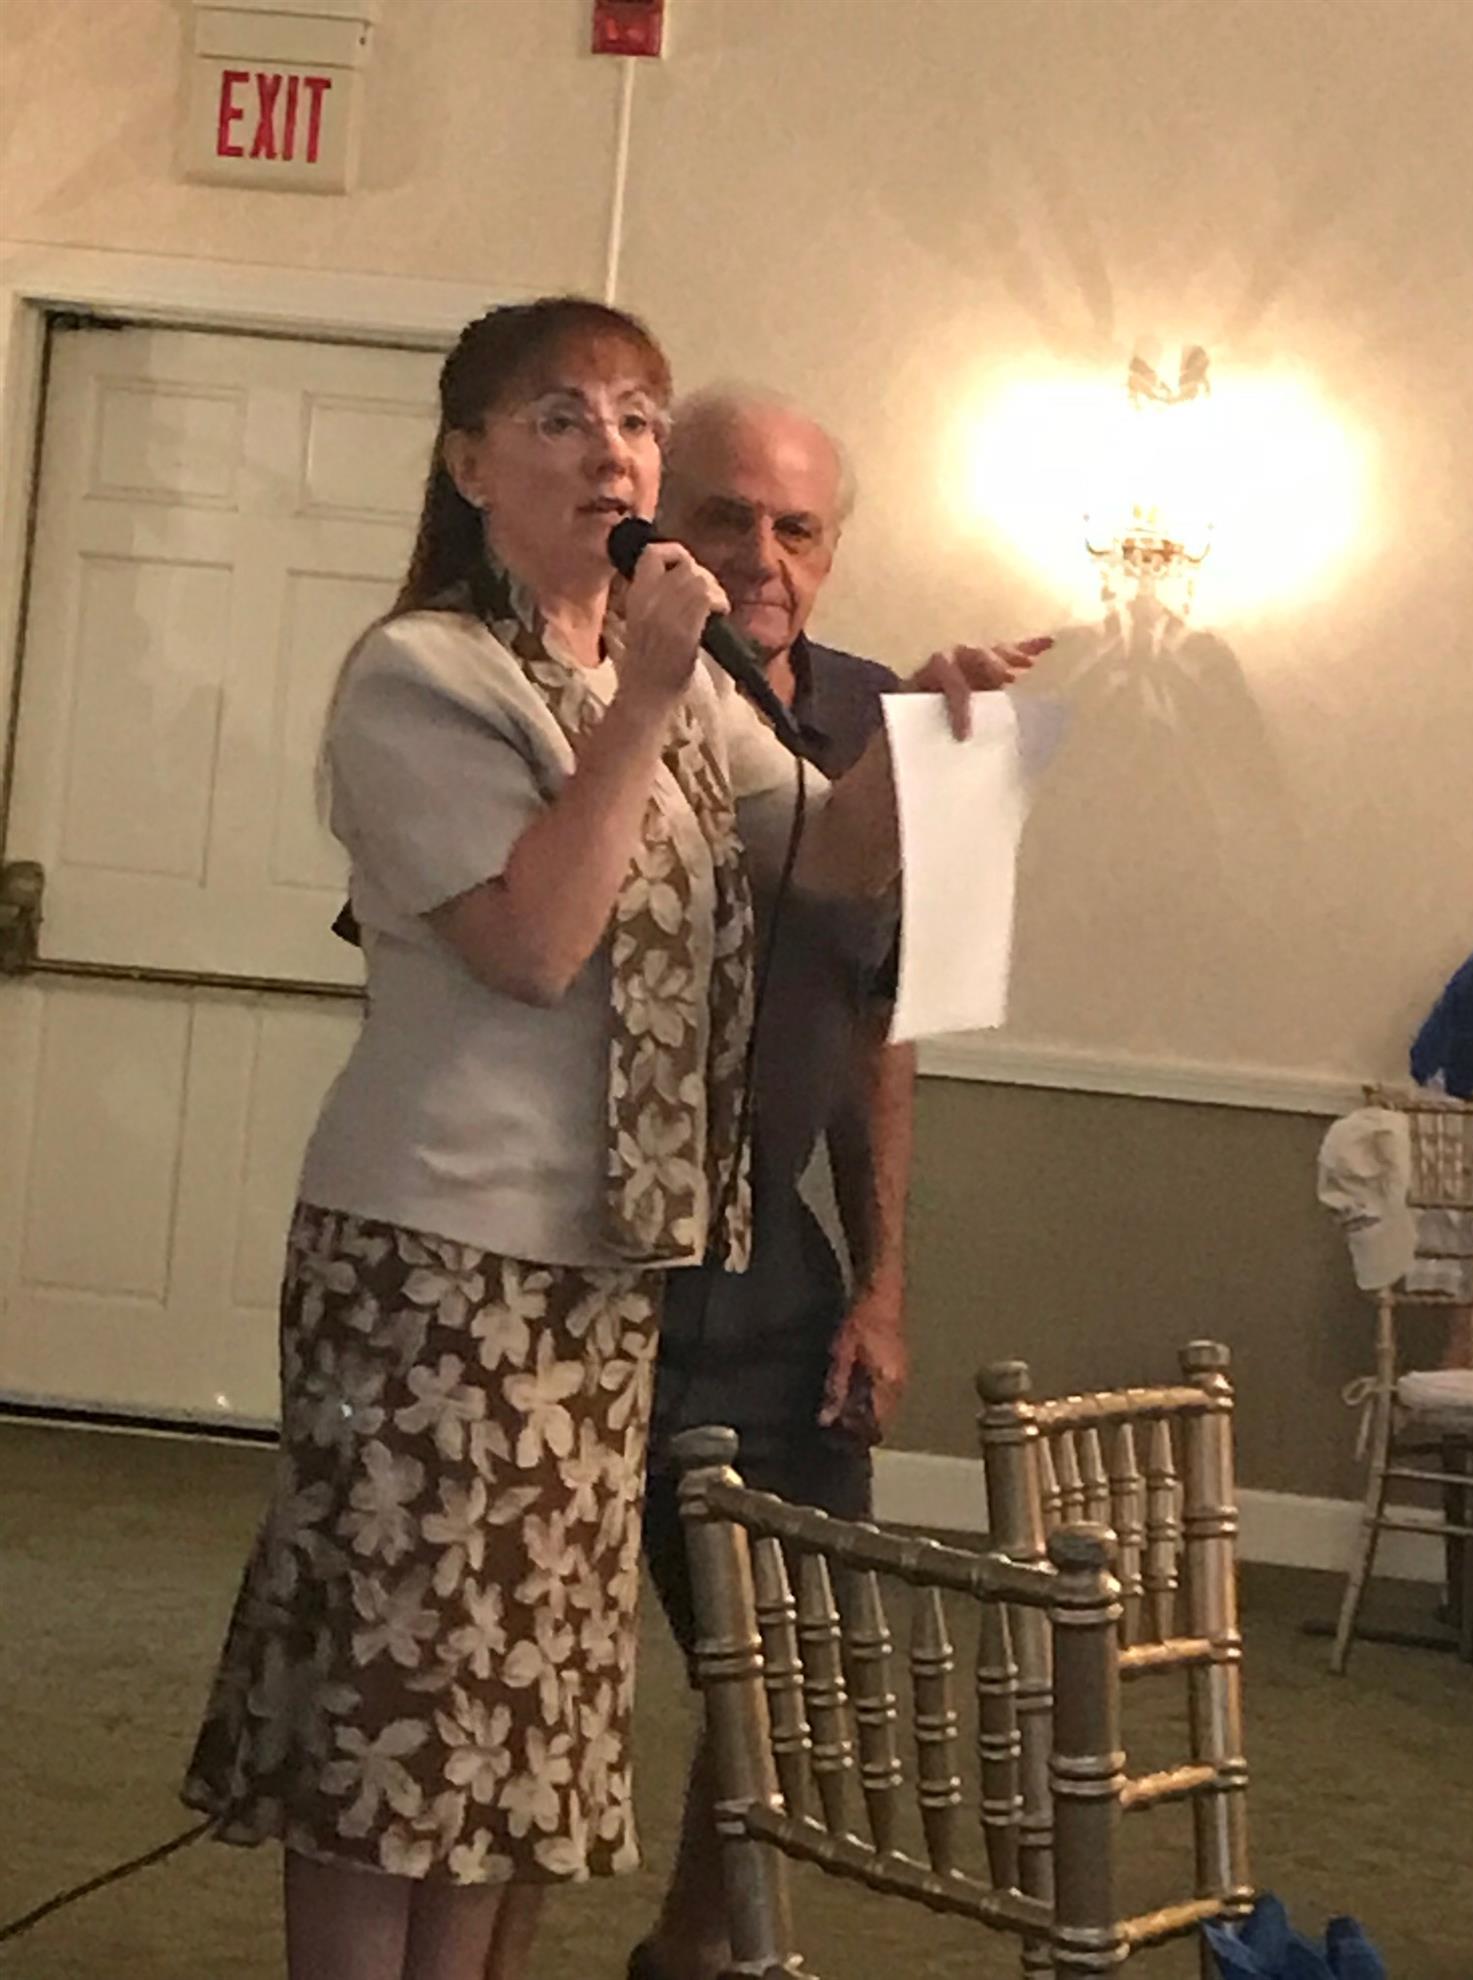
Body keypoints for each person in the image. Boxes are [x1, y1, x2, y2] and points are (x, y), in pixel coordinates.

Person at [180, 298, 1019, 1980]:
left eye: (635, 417)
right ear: (469, 463)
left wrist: (931, 736)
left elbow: (829, 864)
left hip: (601, 1271)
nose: (612, 451)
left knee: (519, 1717)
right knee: (401, 1705)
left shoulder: (671, 681)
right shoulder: (426, 674)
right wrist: (638, 703)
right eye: (561, 417)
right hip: (436, 1263)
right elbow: (530, 947)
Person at [627, 389, 1046, 1980]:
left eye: (795, 526)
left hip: (767, 1262)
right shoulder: (598, 687)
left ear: (834, 548)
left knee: (787, 1658)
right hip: (579, 1249)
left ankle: (693, 1954)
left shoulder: (903, 721)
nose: (761, 554)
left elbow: (892, 1027)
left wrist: (878, 1286)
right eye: (722, 516)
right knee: (528, 1668)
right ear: (655, 520)